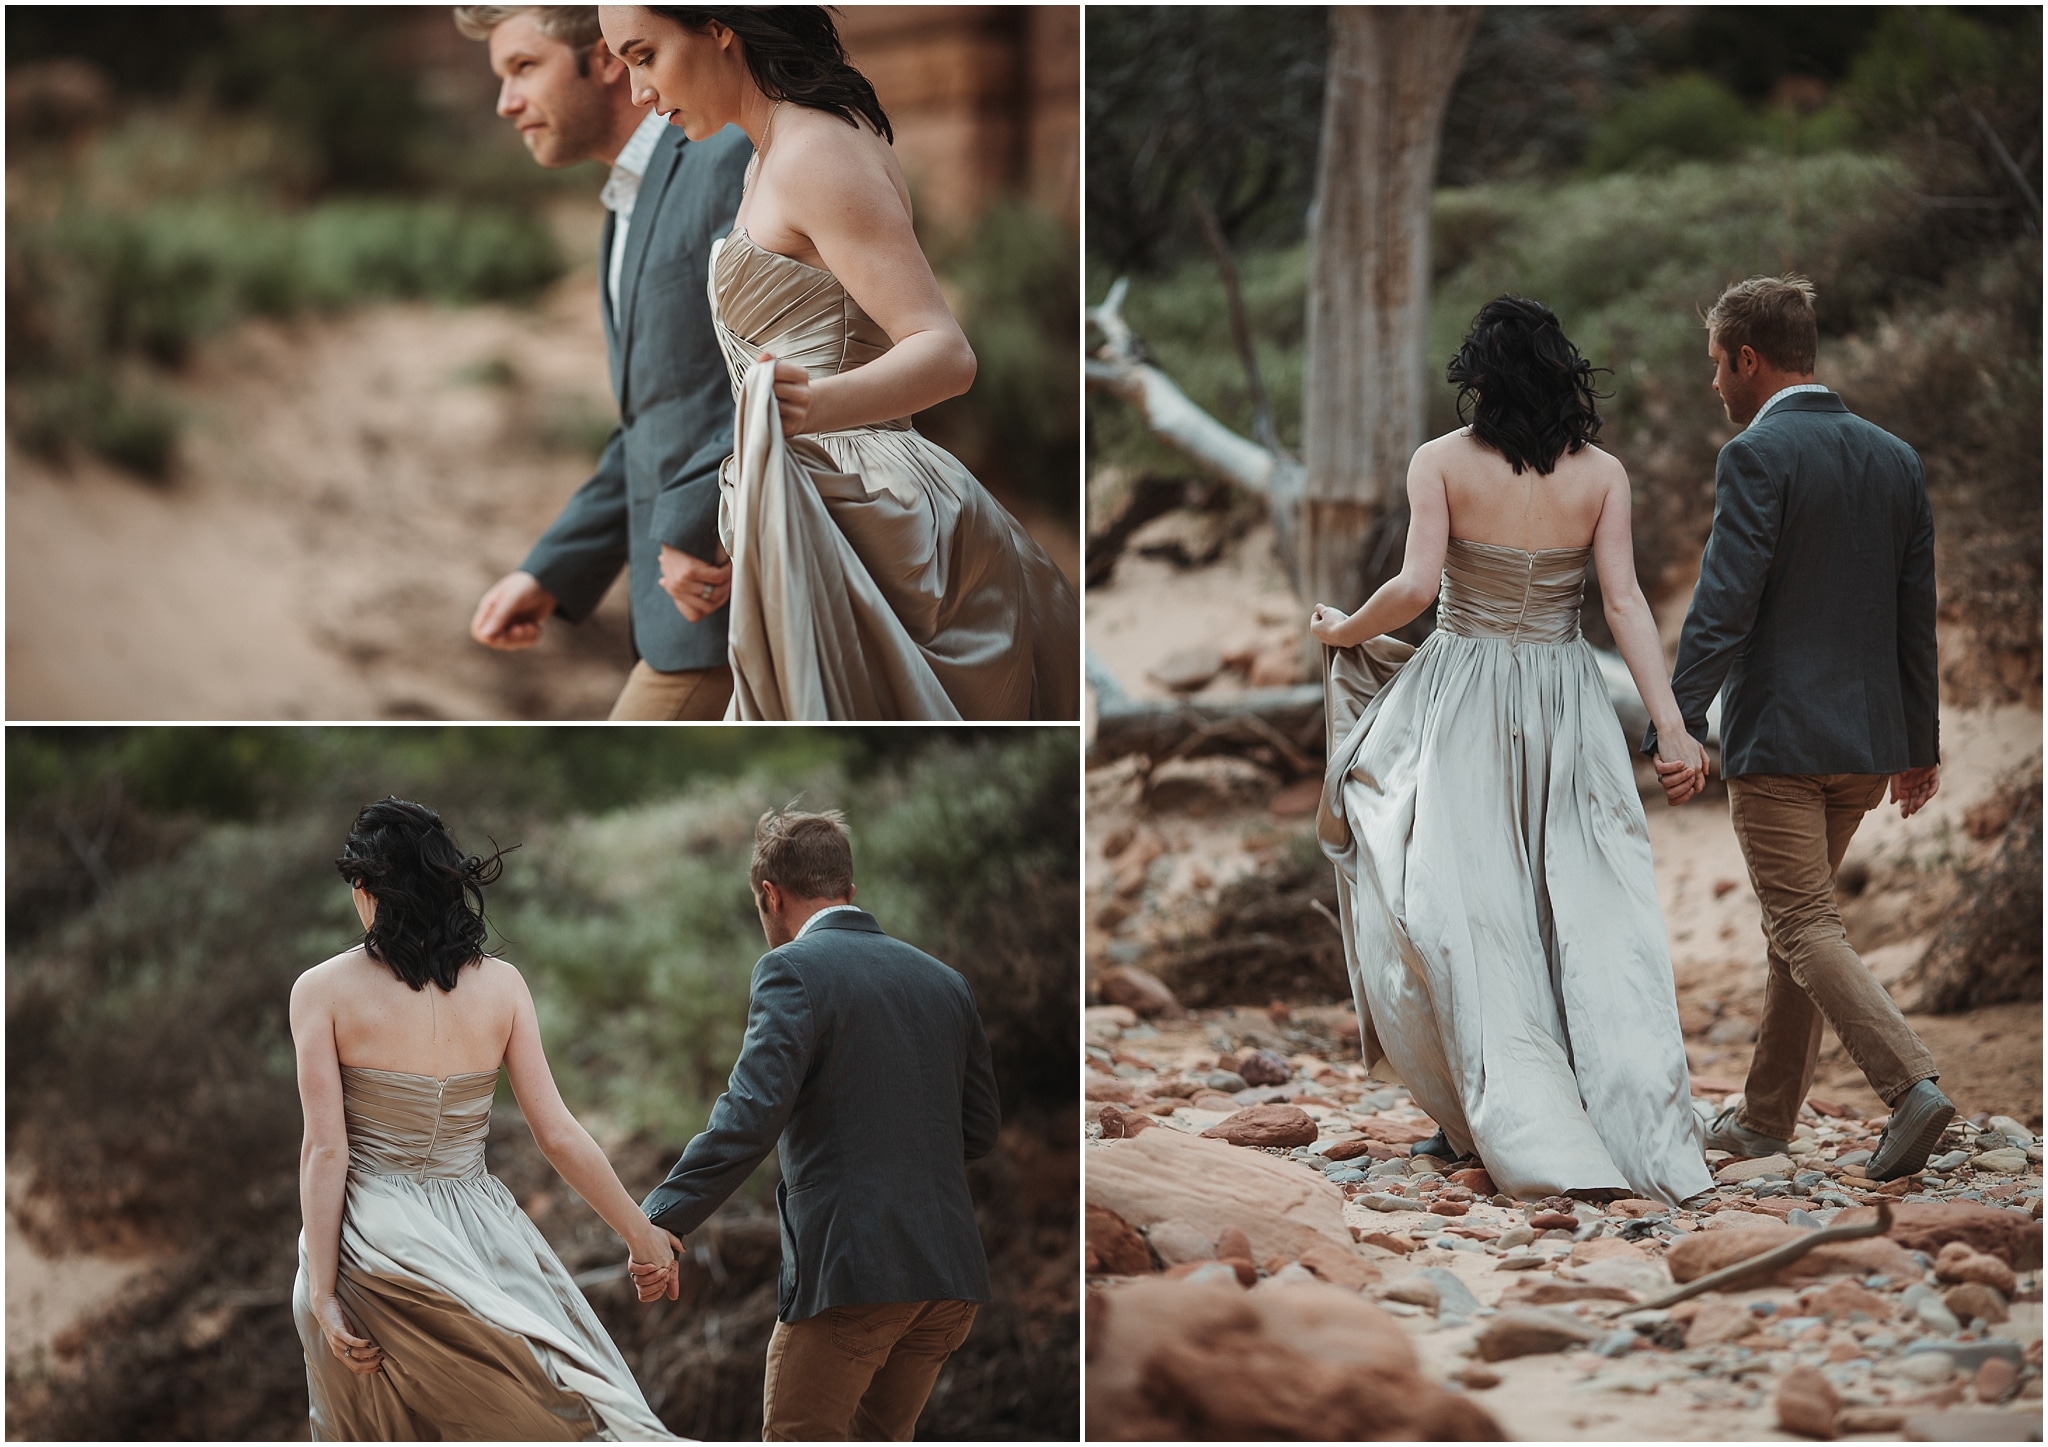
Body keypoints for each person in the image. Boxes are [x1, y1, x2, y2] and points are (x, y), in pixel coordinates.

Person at [1307, 296, 1713, 1207]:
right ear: (1564, 374)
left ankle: (1487, 1116)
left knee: (1460, 902)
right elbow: (1624, 605)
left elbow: (1414, 587)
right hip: (1565, 695)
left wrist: (1345, 629)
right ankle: (1624, 1121)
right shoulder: (1602, 473)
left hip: (1463, 697)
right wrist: (1672, 725)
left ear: (1480, 381)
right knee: (1585, 902)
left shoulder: (1440, 462)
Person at [595, 6, 1079, 720]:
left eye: (644, 55)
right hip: (810, 511)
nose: (637, 90)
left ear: (718, 26)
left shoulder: (814, 150)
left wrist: (808, 410)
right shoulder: (773, 151)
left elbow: (947, 353)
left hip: (877, 521)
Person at [1652, 274, 1948, 1182]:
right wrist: (1920, 740)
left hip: (1783, 740)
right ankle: (1767, 1117)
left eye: (1716, 365)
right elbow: (1915, 611)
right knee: (1799, 926)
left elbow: (1725, 600)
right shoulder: (1895, 456)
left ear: (1749, 358)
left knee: (1803, 920)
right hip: (1866, 742)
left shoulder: (1755, 456)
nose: (1713, 386)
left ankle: (1911, 1087)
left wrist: (1679, 716)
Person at [290, 798, 678, 1440]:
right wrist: (641, 1235)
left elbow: (326, 1151)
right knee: (551, 1394)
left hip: (377, 1238)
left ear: (368, 889)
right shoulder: (504, 987)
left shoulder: (321, 991)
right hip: (483, 1230)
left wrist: (325, 1291)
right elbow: (557, 1132)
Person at [628, 807, 1000, 1440]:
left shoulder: (791, 970)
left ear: (770, 895)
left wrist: (658, 1219)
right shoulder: (947, 983)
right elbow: (981, 1129)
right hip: (949, 1282)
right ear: (850, 893)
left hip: (851, 1275)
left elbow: (748, 1118)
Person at [460, 5, 751, 721]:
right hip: (687, 614)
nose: (506, 102)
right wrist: (549, 573)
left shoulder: (724, 157)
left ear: (602, 58)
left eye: (523, 68)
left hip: (732, 599)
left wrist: (696, 524)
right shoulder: (627, 198)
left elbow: (783, 370)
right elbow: (656, 423)